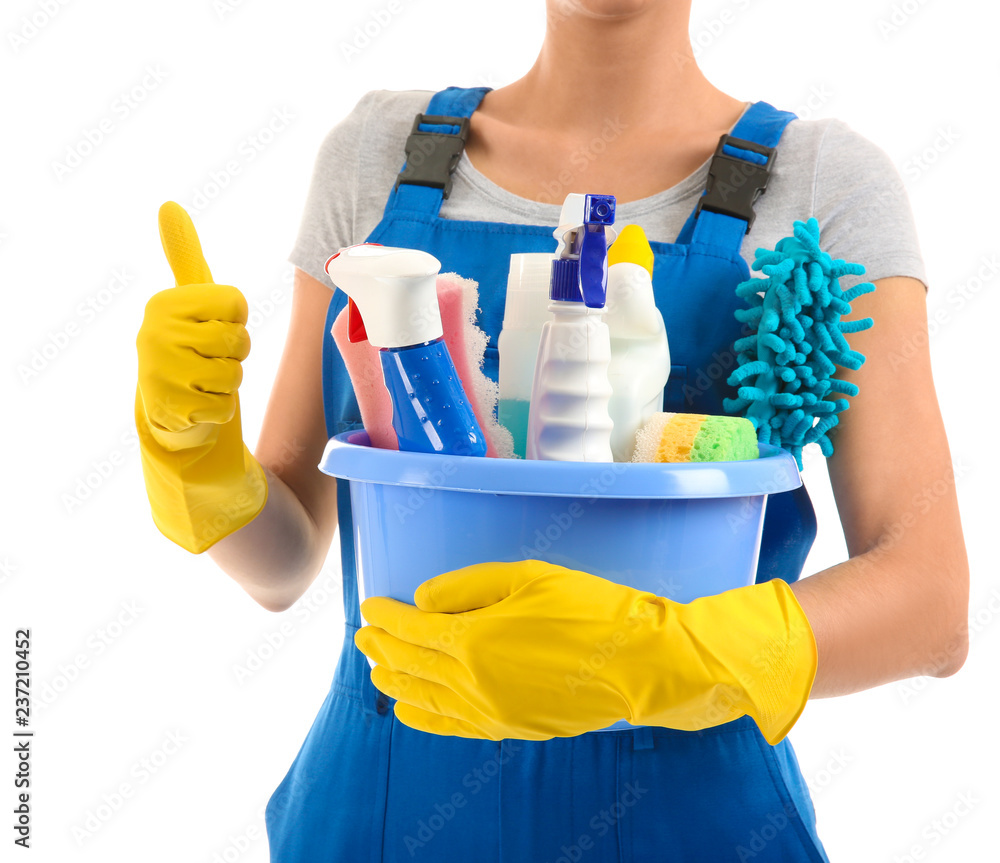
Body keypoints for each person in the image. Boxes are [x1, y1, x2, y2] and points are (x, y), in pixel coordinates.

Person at [135, 1, 969, 859]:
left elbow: (930, 601)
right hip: (384, 811)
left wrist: (663, 655)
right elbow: (284, 560)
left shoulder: (827, 183)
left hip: (691, 822)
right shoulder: (378, 153)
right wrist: (195, 456)